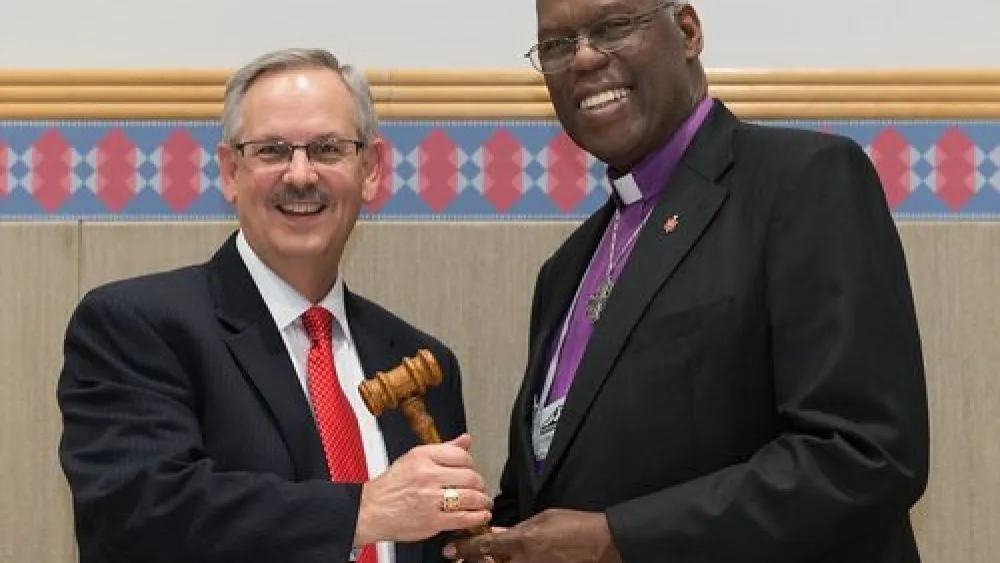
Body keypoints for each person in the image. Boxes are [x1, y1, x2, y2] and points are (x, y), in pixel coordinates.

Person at [447, 1, 930, 562]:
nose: (582, 58)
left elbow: (864, 454)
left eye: (612, 27)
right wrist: (499, 539)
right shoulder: (565, 271)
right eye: (556, 44)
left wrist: (617, 540)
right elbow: (552, 491)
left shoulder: (803, 181)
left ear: (687, 31)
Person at [57, 48, 492, 563]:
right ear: (230, 171)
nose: (301, 174)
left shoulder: (422, 361)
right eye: (271, 151)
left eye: (328, 148)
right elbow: (140, 513)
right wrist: (363, 511)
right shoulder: (135, 326)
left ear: (370, 169)